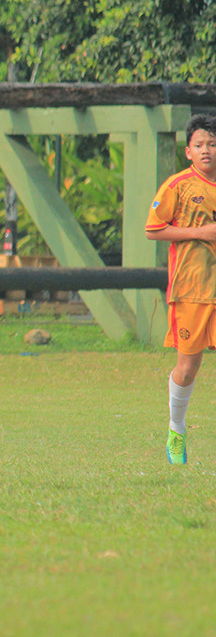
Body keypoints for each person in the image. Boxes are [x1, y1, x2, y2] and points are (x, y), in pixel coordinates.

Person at [145, 113, 216, 465]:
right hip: (192, 289)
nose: (207, 150)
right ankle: (176, 429)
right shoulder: (177, 186)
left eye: (212, 144)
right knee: (187, 368)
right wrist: (200, 233)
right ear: (188, 151)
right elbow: (153, 230)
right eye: (200, 145)